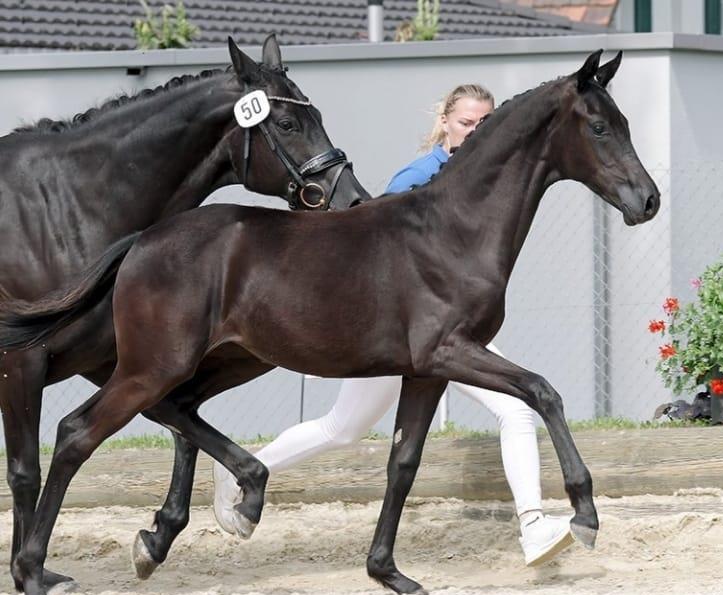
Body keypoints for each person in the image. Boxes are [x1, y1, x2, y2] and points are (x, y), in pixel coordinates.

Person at [213, 84, 575, 567]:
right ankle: (532, 525)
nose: (475, 131)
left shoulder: (487, 177)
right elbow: (372, 234)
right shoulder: (421, 174)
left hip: (443, 330)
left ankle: (533, 526)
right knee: (345, 428)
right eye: (467, 122)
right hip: (401, 331)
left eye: (485, 124)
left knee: (351, 427)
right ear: (446, 122)